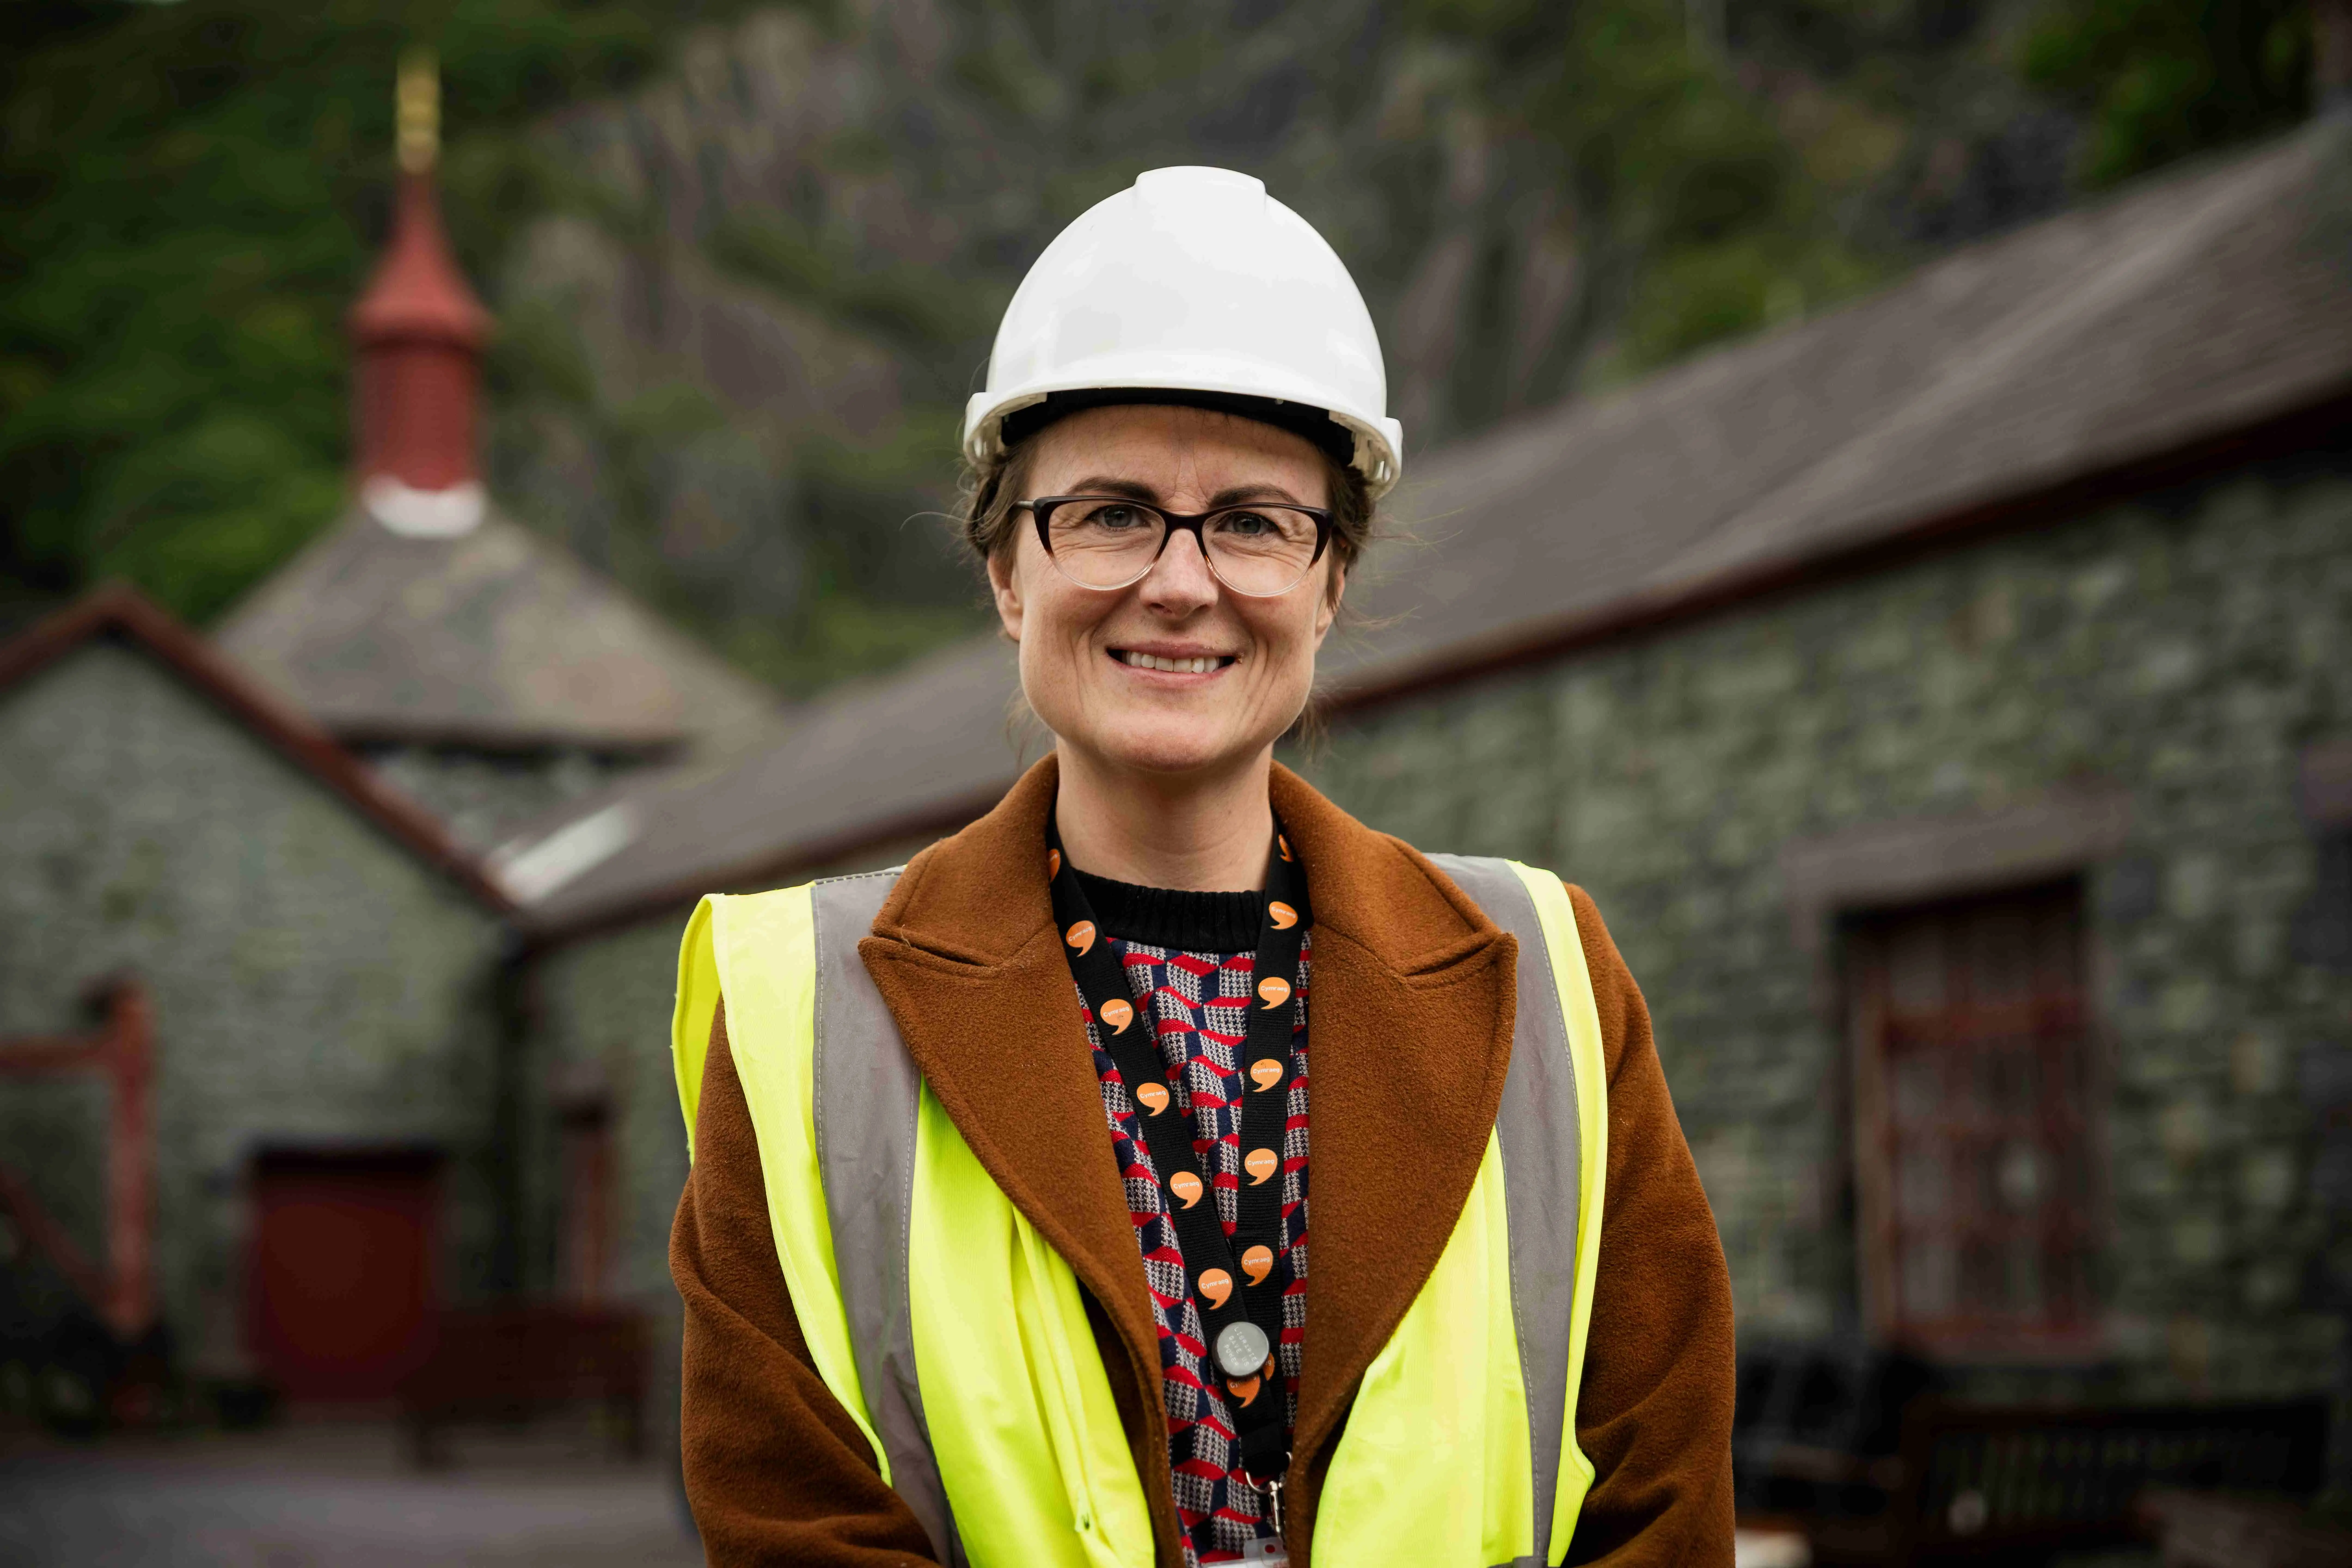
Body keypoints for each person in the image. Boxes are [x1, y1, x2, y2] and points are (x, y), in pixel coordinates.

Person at [668, 166, 1735, 1568]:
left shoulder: (1549, 975)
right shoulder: (802, 1013)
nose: (1181, 582)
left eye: (1251, 521)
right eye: (1109, 513)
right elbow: (789, 1523)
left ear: (1329, 583)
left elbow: (1662, 1491)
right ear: (1007, 574)